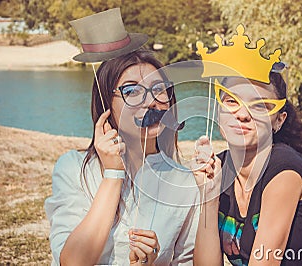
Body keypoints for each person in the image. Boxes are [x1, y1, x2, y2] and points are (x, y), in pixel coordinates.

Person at [45, 8, 198, 266]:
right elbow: (71, 261)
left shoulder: (185, 183)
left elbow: (186, 261)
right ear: (106, 103)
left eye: (159, 89)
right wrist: (113, 175)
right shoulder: (72, 168)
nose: (151, 101)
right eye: (132, 91)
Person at [192, 26, 302, 266]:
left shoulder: (285, 171)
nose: (242, 114)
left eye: (260, 106)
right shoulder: (221, 168)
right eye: (231, 101)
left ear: (279, 120)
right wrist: (208, 198)